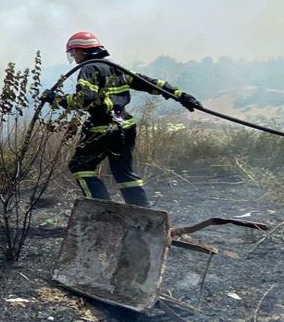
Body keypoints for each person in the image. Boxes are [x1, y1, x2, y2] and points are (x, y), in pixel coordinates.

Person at [40, 31, 201, 208]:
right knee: (124, 173)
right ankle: (142, 213)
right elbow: (148, 83)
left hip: (102, 130)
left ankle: (101, 210)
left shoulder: (89, 69)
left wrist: (55, 99)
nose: (74, 57)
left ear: (82, 51)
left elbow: (85, 99)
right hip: (126, 127)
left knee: (81, 167)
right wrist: (180, 95)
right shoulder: (116, 68)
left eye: (74, 52)